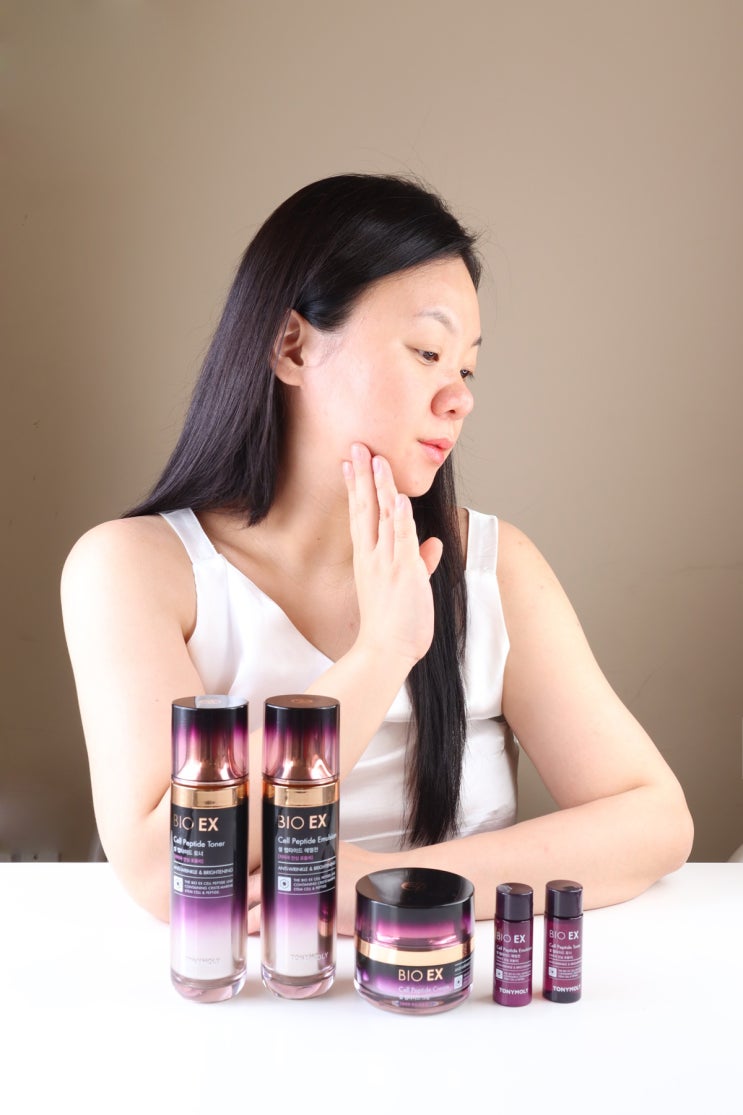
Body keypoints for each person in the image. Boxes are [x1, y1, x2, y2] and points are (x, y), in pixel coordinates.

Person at [61, 172, 694, 933]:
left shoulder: (495, 567)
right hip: (248, 998)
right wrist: (382, 654)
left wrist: (389, 886)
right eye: (427, 351)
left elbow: (654, 820)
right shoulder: (133, 570)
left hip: (459, 990)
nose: (459, 396)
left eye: (466, 367)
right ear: (292, 345)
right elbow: (163, 870)